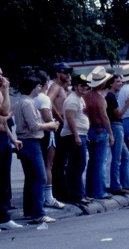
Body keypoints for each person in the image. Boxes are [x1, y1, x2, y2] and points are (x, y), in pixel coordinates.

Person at [13, 75, 60, 225]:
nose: (41, 88)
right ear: (33, 88)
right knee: (40, 177)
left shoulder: (22, 102)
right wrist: (50, 126)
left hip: (25, 141)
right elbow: (33, 126)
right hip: (31, 142)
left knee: (31, 178)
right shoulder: (27, 103)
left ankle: (29, 211)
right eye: (38, 86)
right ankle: (38, 213)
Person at [33, 69, 65, 209]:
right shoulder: (44, 98)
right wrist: (57, 122)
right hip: (46, 132)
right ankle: (48, 198)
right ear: (45, 82)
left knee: (39, 168)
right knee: (48, 166)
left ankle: (42, 197)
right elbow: (47, 116)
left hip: (37, 133)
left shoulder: (31, 98)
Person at [0, 65, 24, 231]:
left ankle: (2, 216)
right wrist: (6, 91)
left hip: (2, 138)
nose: (0, 77)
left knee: (3, 180)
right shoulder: (0, 93)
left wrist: (12, 139)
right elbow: (5, 111)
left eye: (1, 73)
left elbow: (3, 121)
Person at [84, 67, 115, 200]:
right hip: (100, 129)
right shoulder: (100, 98)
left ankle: (90, 189)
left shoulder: (86, 96)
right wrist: (111, 133)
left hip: (90, 129)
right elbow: (104, 117)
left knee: (92, 161)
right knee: (101, 162)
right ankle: (100, 191)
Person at [61, 73, 91, 204]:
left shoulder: (79, 98)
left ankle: (78, 193)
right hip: (74, 134)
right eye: (82, 86)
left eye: (86, 86)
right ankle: (77, 195)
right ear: (76, 86)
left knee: (78, 165)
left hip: (81, 133)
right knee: (77, 165)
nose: (85, 88)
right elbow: (69, 118)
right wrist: (76, 136)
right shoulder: (72, 99)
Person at [105, 74, 129, 195]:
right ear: (111, 83)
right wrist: (128, 102)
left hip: (117, 126)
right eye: (118, 82)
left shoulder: (113, 96)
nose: (120, 83)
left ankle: (126, 184)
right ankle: (115, 185)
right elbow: (119, 114)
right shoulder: (111, 97)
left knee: (125, 156)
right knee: (117, 157)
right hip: (115, 126)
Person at [47, 62, 72, 202]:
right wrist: (59, 118)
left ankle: (62, 189)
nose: (68, 74)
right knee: (59, 161)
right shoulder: (55, 87)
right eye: (65, 72)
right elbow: (48, 102)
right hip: (60, 126)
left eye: (69, 72)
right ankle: (58, 192)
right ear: (58, 73)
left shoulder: (63, 88)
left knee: (63, 160)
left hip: (64, 125)